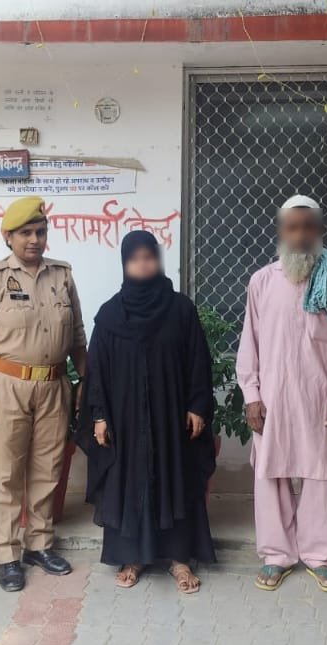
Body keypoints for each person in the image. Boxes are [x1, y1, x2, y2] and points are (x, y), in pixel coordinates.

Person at [236, 195, 327, 594]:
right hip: (273, 398)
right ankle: (276, 555)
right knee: (271, 474)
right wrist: (251, 395)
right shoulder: (262, 281)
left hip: (321, 398)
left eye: (308, 227)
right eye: (292, 227)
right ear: (281, 232)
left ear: (320, 230)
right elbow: (249, 345)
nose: (301, 235)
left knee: (323, 474)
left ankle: (319, 556)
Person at [76, 231, 217, 593]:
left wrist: (197, 406)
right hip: (125, 421)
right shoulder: (110, 315)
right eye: (135, 258)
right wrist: (99, 415)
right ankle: (133, 557)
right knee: (129, 481)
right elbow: (96, 370)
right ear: (125, 264)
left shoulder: (180, 309)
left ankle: (179, 558)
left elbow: (198, 361)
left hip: (172, 419)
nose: (143, 264)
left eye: (149, 257)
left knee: (175, 479)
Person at [0, 196, 87, 592]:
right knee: (6, 473)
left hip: (54, 384)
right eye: (25, 233)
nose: (34, 239)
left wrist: (86, 382)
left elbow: (78, 336)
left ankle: (39, 545)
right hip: (8, 386)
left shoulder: (62, 275)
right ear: (8, 236)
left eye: (40, 232)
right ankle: (7, 554)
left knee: (47, 468)